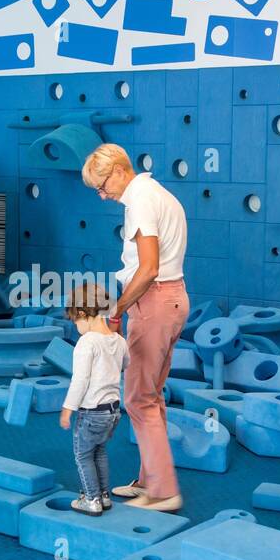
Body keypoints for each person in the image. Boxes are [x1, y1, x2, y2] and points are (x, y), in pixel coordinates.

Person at [80, 144, 188, 513]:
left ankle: (163, 492)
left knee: (137, 399)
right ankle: (149, 479)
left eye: (101, 184)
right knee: (152, 395)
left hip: (154, 301)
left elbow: (149, 268)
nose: (101, 193)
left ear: (118, 171)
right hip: (173, 298)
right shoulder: (156, 193)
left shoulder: (140, 200)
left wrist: (117, 311)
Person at [59, 282, 128, 517]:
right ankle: (104, 496)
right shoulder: (118, 340)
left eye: (75, 322)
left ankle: (91, 499)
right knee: (99, 451)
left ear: (81, 314)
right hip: (114, 411)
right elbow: (126, 364)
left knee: (83, 454)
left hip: (92, 412)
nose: (77, 327)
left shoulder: (87, 342)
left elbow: (80, 380)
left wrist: (68, 409)